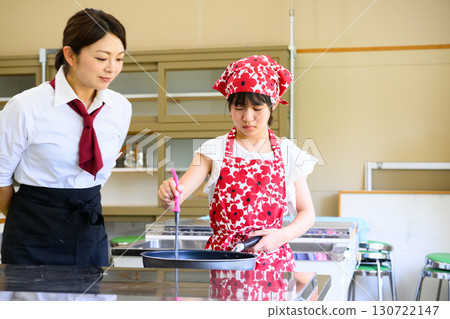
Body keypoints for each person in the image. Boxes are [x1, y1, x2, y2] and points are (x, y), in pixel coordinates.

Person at [158, 55, 317, 271]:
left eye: (257, 109)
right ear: (230, 106)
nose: (248, 118)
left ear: (273, 105)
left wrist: (282, 235)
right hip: (222, 259)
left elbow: (307, 212)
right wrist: (169, 195)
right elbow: (175, 198)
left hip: (271, 259)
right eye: (239, 107)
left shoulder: (289, 152)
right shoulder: (213, 150)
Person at [0, 9, 131, 266]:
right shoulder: (26, 106)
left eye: (119, 59)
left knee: (90, 303)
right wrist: (28, 218)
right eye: (102, 58)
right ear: (70, 54)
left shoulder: (120, 107)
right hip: (33, 230)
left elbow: (102, 171)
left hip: (89, 226)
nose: (112, 68)